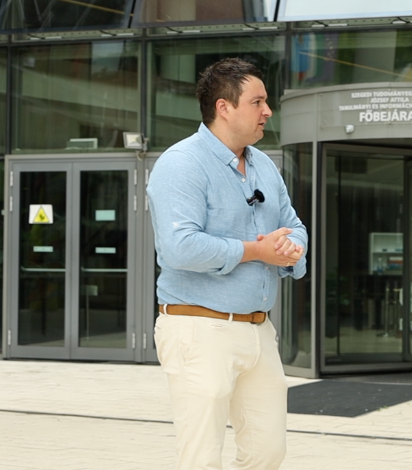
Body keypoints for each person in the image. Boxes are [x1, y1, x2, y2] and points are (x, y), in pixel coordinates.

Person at [147, 58, 308, 470]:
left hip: (259, 331)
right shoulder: (181, 163)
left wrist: (292, 249)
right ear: (224, 107)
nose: (267, 111)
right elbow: (180, 248)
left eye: (266, 102)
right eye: (257, 102)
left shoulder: (264, 165)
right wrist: (257, 251)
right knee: (201, 458)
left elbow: (293, 225)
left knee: (268, 452)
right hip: (199, 330)